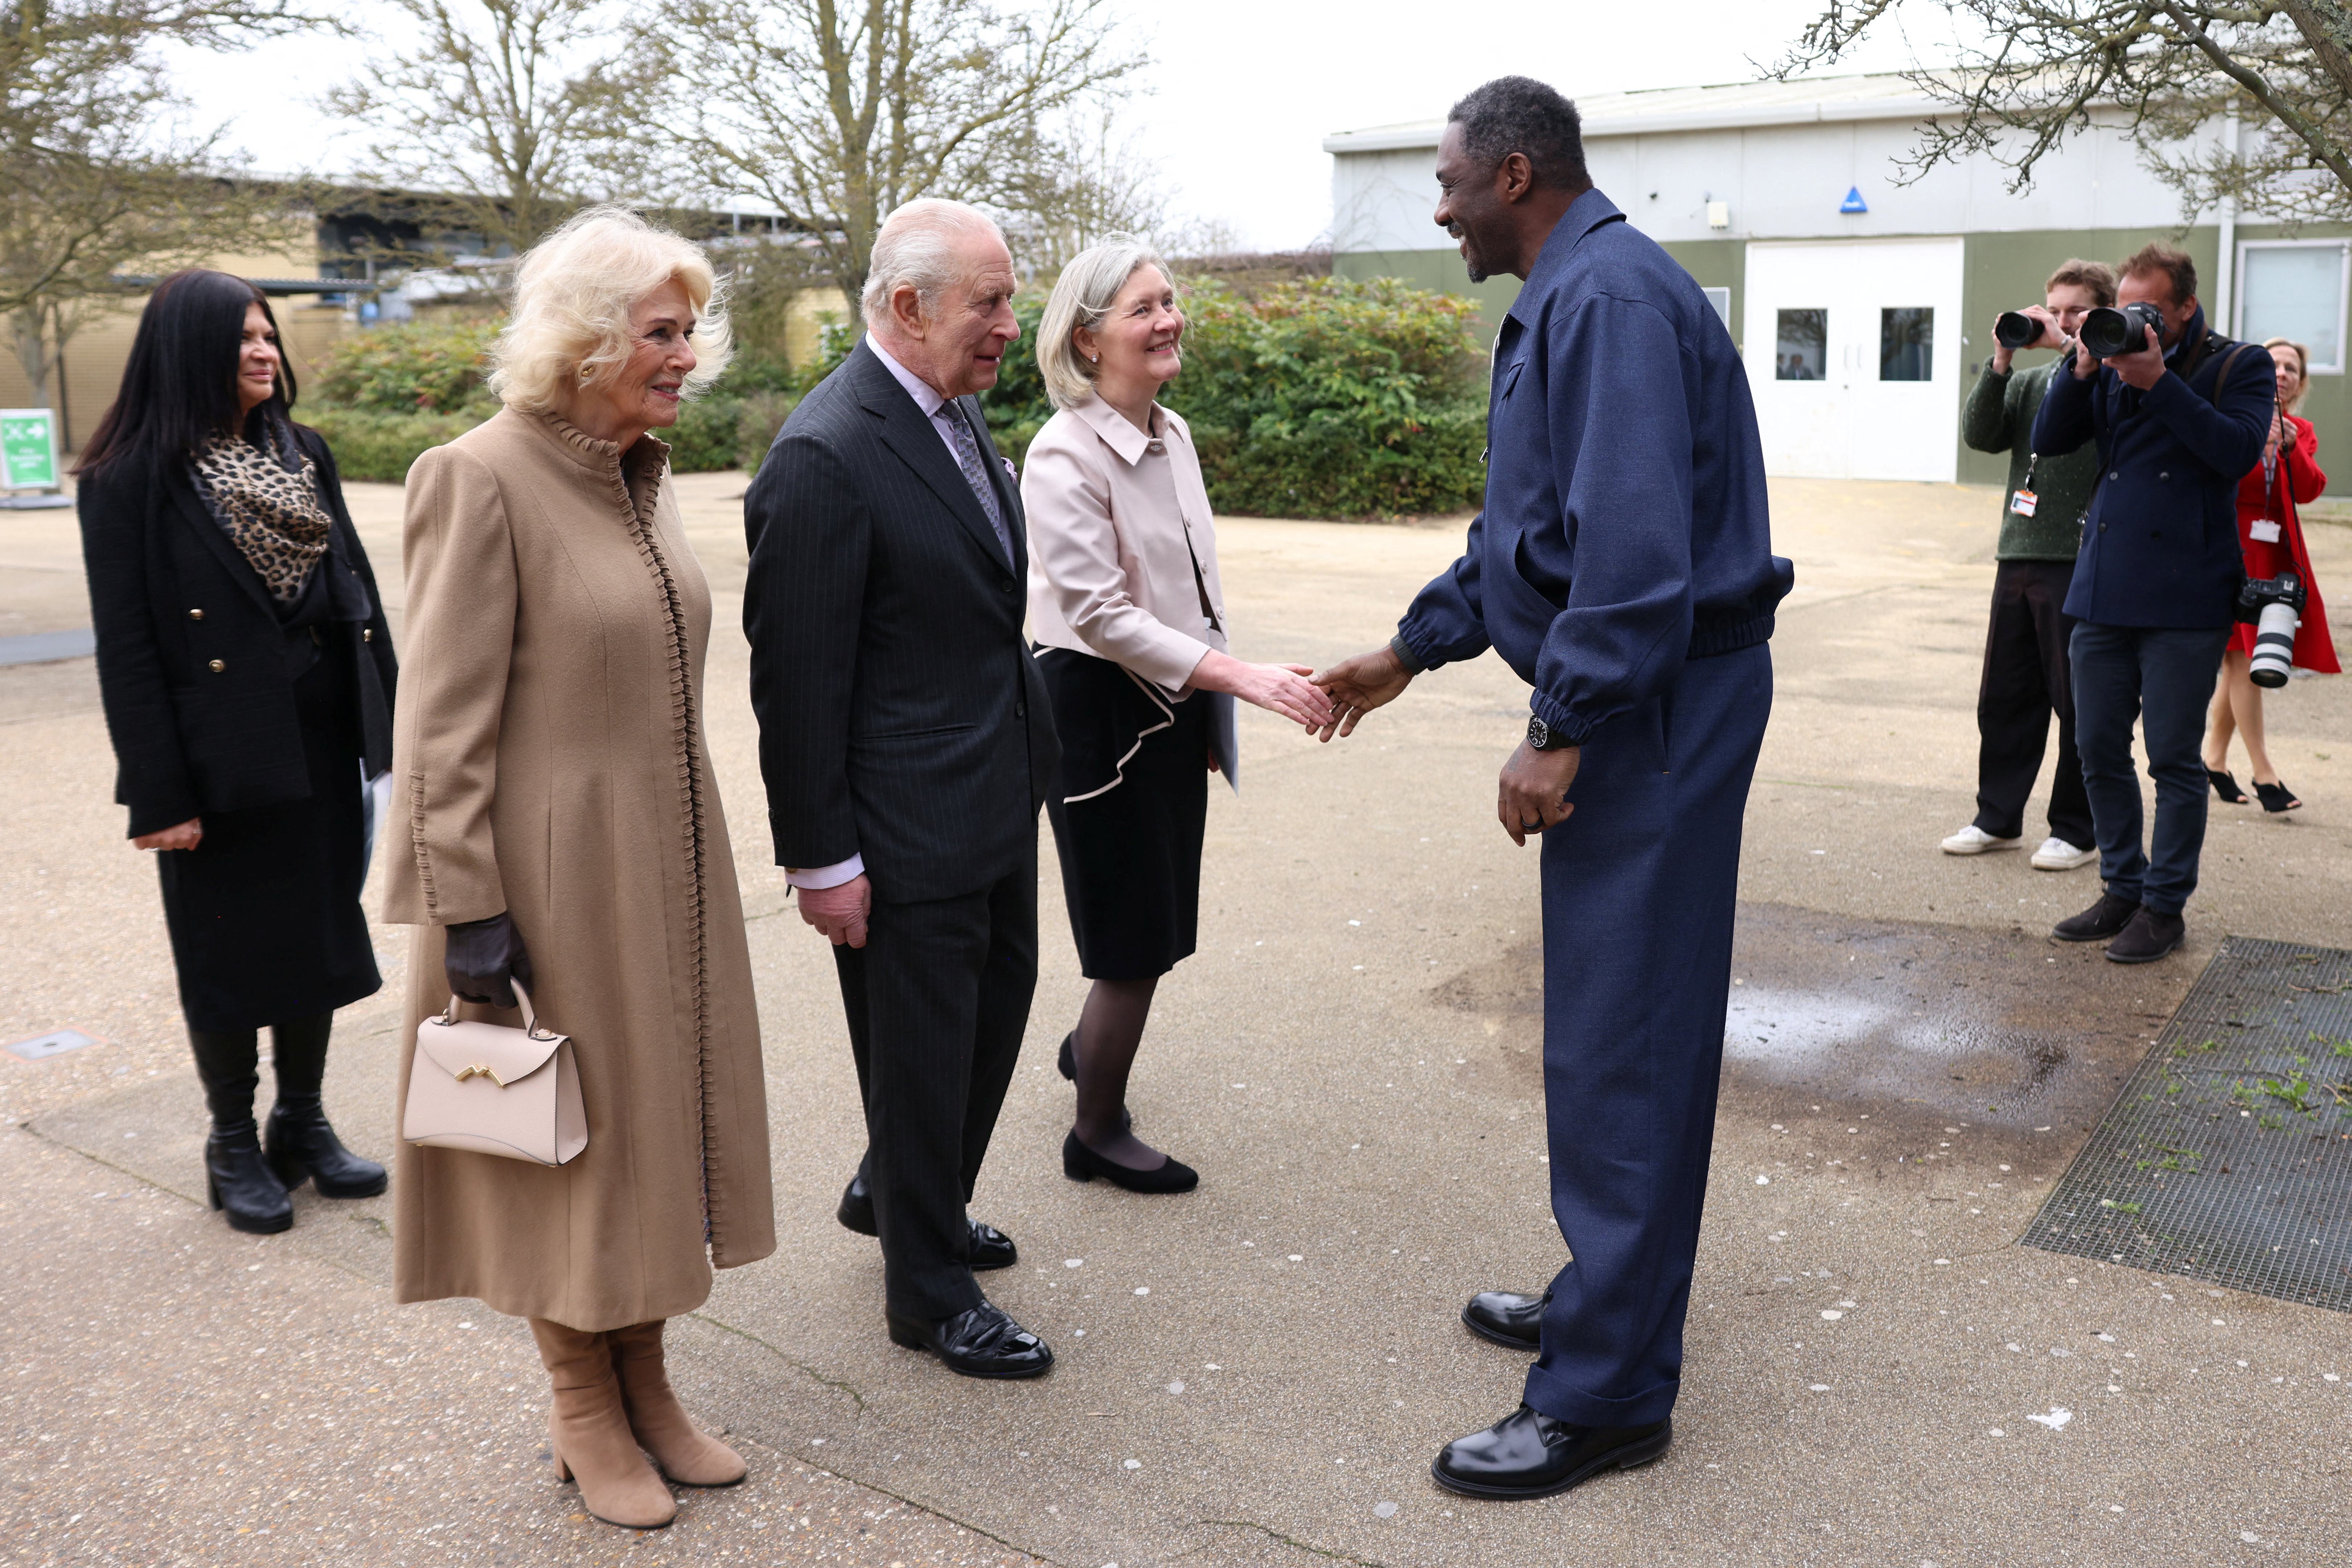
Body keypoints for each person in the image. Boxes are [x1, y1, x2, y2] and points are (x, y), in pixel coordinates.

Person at [1313, 77, 1791, 1500]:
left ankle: (1607, 1395)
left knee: (1624, 1041)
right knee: (1608, 1028)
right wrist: (1412, 645)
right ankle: (1611, 1302)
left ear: (1515, 174)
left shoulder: (1609, 305)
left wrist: (1563, 722)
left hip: (1651, 707)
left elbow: (1632, 555)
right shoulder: (1580, 292)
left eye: (1452, 181)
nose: (1442, 206)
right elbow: (1533, 535)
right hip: (1643, 695)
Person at [385, 207, 776, 1531]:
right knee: (570, 1150)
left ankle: (649, 1381)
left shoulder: (642, 472)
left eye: (689, 329)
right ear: (588, 339)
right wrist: (470, 912)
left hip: (665, 861)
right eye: (661, 333)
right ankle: (581, 1406)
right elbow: (437, 723)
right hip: (546, 883)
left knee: (661, 1130)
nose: (687, 356)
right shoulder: (478, 474)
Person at [743, 198, 1061, 1380]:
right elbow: (797, 682)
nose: (1007, 324)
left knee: (994, 1011)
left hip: (996, 789)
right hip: (904, 826)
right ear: (909, 304)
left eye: (1007, 298)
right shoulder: (826, 454)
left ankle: (905, 1190)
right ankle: (926, 1292)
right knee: (924, 1049)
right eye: (988, 302)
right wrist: (822, 861)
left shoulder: (953, 415)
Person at [76, 269, 398, 1237]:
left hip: (322, 738)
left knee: (320, 934)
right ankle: (230, 1141)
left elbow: (360, 596)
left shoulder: (303, 452)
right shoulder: (131, 476)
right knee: (226, 947)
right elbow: (128, 649)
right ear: (188, 352)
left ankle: (300, 1120)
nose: (264, 350)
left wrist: (392, 729)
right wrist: (159, 794)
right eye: (242, 338)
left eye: (268, 335)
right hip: (218, 758)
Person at [1022, 239, 1334, 1193]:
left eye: (1170, 301)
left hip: (1167, 700)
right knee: (1133, 943)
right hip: (1098, 711)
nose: (1169, 321)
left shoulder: (1173, 432)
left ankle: (1091, 1054)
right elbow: (1098, 615)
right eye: (1143, 308)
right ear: (1087, 338)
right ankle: (1096, 1130)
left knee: (1153, 913)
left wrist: (1203, 711)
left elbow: (1190, 587)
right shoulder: (1062, 454)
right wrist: (1237, 680)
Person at [2031, 243, 2274, 963]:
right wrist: (2080, 369)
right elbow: (2049, 441)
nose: (2135, 319)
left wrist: (2158, 381)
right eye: (2124, 306)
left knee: (2172, 757)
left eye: (2149, 309)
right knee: (2096, 745)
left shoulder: (2238, 364)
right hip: (2103, 586)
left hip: (2184, 595)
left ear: (2183, 309)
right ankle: (2120, 885)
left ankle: (2162, 908)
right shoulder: (2105, 358)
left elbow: (2234, 452)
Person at [1941, 260, 2114, 870]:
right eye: (2055, 308)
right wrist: (2001, 361)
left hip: (2079, 556)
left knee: (2077, 701)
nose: (2060, 320)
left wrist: (2075, 346)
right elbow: (1979, 435)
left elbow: (2102, 401)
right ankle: (1997, 817)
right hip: (2017, 552)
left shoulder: (2109, 376)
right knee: (2006, 695)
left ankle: (2075, 829)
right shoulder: (2030, 380)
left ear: (2100, 314)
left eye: (2077, 311)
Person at [2203, 336, 2336, 811]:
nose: (2282, 373)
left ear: (2300, 383)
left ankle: (2214, 760)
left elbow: (2307, 490)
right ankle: (2265, 774)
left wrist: (2291, 446)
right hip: (2229, 550)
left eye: (2291, 368)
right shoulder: (2233, 416)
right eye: (2274, 364)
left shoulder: (2301, 428)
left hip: (2273, 558)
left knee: (2241, 662)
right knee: (2245, 663)